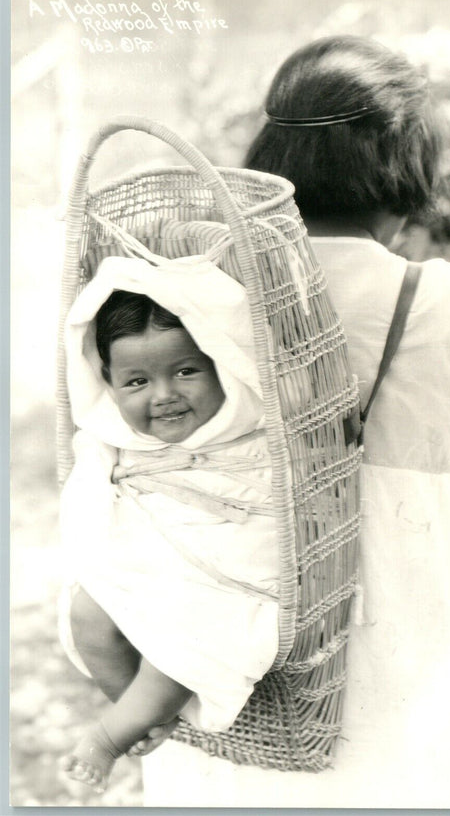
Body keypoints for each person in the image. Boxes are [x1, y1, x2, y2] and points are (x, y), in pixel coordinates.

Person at [138, 35, 450, 809]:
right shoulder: (449, 299)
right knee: (414, 775)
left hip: (247, 597)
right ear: (406, 166)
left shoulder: (206, 287)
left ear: (272, 151)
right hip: (415, 601)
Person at [58, 252, 280, 792]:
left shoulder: (250, 432)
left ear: (220, 365)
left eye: (186, 371)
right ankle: (145, 715)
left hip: (225, 580)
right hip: (149, 568)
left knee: (184, 634)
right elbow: (90, 512)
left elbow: (268, 519)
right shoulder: (113, 440)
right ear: (108, 384)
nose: (164, 396)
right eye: (136, 382)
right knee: (87, 613)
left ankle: (111, 736)